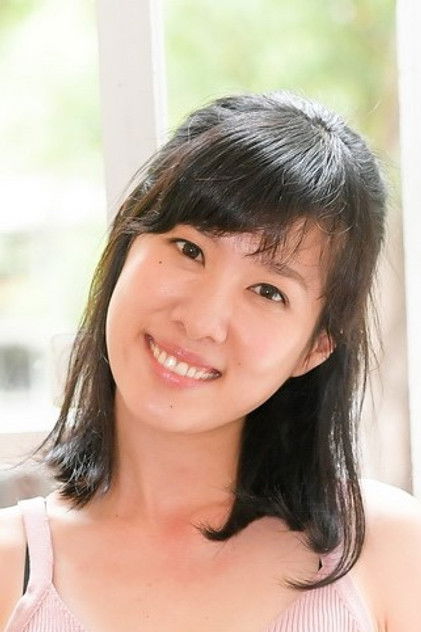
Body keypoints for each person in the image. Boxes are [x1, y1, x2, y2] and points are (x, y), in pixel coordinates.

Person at [1, 90, 420, 632]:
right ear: (128, 242)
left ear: (316, 347)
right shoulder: (12, 565)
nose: (201, 321)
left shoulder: (388, 552)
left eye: (268, 291)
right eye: (190, 249)